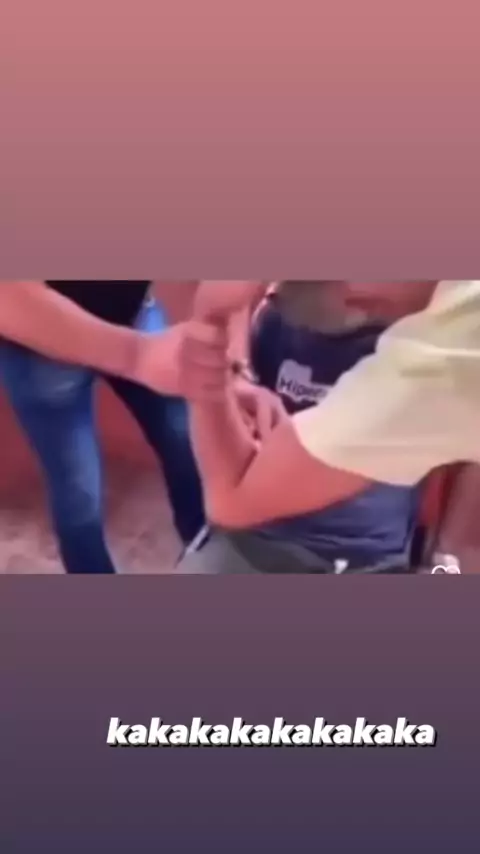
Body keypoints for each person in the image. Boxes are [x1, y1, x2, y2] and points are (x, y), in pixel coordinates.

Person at [178, 281, 480, 535]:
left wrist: (209, 328)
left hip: (366, 539)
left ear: (360, 304)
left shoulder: (423, 374)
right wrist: (236, 371)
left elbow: (230, 502)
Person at [0, 281, 210, 573]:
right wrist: (136, 356)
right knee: (78, 492)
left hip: (134, 312)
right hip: (41, 344)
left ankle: (209, 553)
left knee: (187, 440)